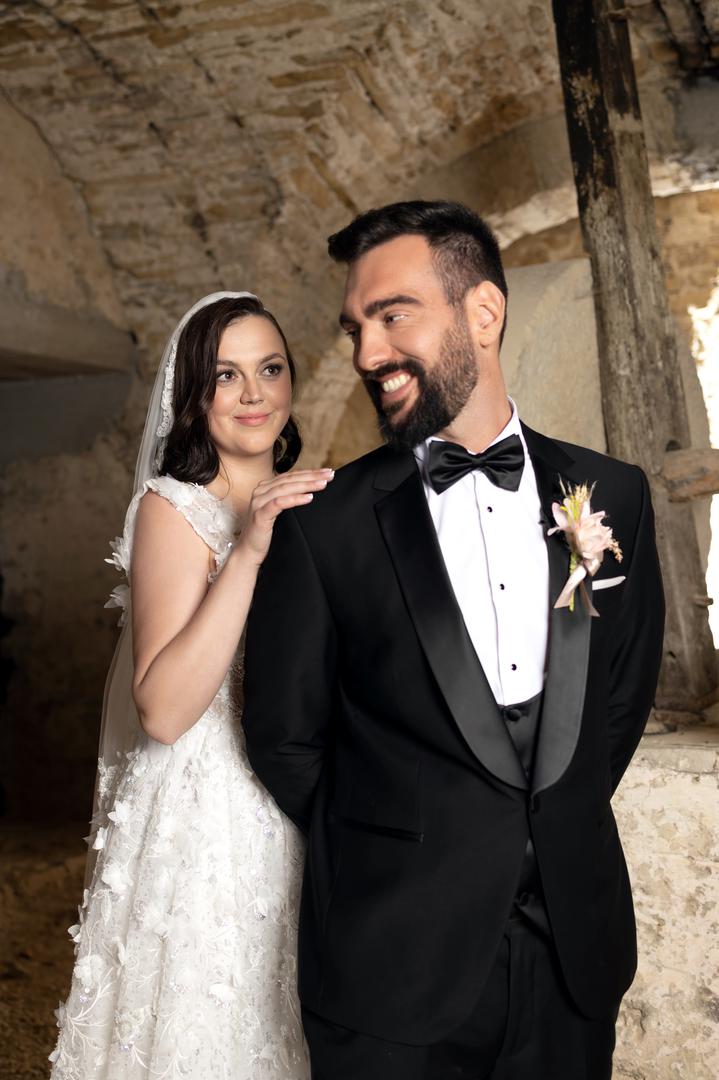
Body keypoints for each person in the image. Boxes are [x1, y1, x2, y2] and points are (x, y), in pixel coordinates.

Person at [242, 202, 666, 1080]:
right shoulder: (322, 524)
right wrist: (407, 839)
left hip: (570, 959)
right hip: (392, 968)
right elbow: (285, 740)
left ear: (483, 312)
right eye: (355, 328)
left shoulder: (611, 495)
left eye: (392, 316)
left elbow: (617, 702)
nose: (366, 354)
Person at [50, 291, 332, 1079]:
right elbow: (164, 711)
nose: (253, 394)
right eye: (225, 375)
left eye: (269, 369)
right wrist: (248, 550)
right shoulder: (172, 511)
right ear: (192, 394)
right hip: (209, 819)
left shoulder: (317, 500)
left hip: (304, 800)